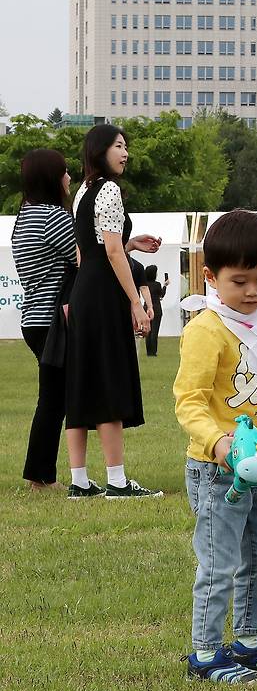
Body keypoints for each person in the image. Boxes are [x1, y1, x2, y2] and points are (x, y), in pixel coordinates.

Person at [173, 209, 257, 685]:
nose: (253, 291)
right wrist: (219, 441)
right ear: (211, 277)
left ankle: (250, 642)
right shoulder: (206, 331)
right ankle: (206, 654)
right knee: (219, 564)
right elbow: (188, 402)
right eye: (240, 281)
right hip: (218, 470)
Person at [65, 124, 162, 499]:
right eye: (119, 146)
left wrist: (130, 242)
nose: (126, 153)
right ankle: (118, 482)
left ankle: (78, 481)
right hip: (104, 295)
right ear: (100, 150)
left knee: (82, 382)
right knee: (108, 379)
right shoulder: (109, 189)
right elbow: (111, 252)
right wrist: (136, 302)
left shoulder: (82, 191)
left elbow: (90, 250)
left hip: (84, 288)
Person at [11, 149, 77, 491]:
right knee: (54, 400)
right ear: (52, 178)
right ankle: (41, 477)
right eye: (64, 173)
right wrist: (126, 248)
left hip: (33, 319)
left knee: (53, 397)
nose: (69, 178)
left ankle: (40, 474)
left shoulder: (25, 216)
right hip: (54, 321)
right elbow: (86, 258)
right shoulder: (55, 218)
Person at [144, 264, 169, 357]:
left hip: (146, 308)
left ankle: (148, 351)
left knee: (148, 330)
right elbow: (161, 294)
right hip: (156, 309)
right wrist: (165, 285)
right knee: (155, 331)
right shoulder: (157, 284)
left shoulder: (145, 284)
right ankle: (153, 352)